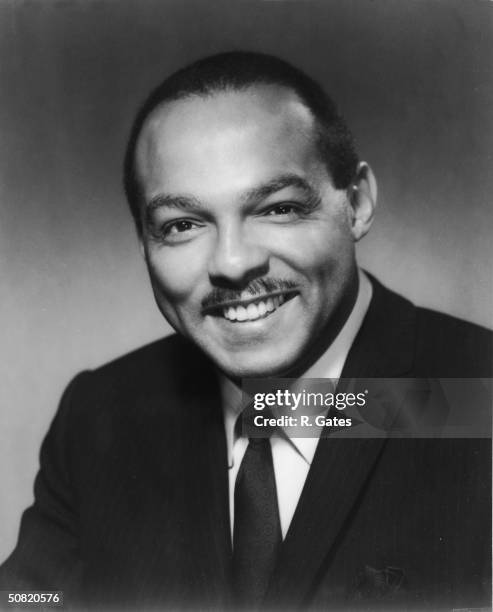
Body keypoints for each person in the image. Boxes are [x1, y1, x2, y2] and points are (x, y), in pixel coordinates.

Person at [0, 52, 491, 611]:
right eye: (182, 225)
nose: (232, 263)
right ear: (144, 243)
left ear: (356, 204)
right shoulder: (102, 414)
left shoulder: (478, 394)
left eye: (277, 209)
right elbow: (28, 599)